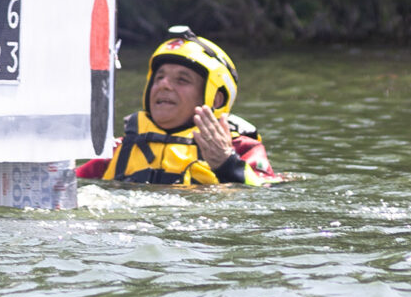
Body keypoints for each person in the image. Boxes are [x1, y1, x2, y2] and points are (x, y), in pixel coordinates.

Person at [78, 29, 277, 187]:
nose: (164, 85)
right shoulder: (118, 149)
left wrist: (227, 164)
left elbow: (264, 196)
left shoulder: (242, 149)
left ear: (215, 99)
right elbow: (67, 184)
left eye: (182, 80)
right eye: (159, 77)